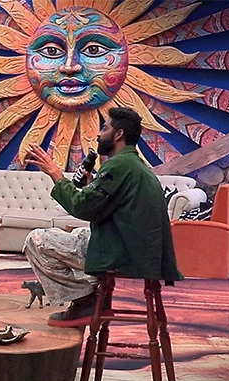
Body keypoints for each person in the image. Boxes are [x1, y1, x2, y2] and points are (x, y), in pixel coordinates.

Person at [23, 107, 182, 327]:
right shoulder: (134, 165)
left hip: (124, 253)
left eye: (104, 128)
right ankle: (94, 293)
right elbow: (106, 205)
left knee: (36, 240)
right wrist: (91, 184)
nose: (98, 134)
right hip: (139, 249)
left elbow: (81, 207)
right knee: (80, 233)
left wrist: (55, 173)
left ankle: (84, 300)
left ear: (118, 134)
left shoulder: (118, 165)